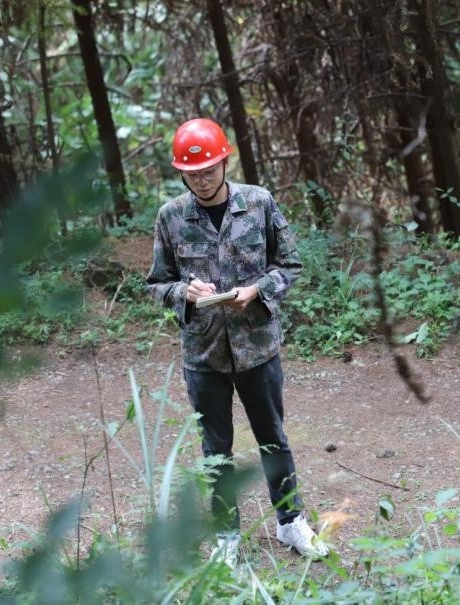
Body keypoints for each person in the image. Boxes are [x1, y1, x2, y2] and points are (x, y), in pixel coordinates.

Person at [145, 118, 328, 564]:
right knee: (216, 451)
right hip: (203, 354)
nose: (202, 179)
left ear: (225, 162)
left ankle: (290, 523)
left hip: (258, 347)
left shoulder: (259, 203)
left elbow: (290, 265)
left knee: (272, 439)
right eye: (192, 173)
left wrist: (258, 290)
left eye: (209, 169)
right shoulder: (171, 216)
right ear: (181, 173)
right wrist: (183, 292)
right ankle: (226, 535)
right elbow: (156, 283)